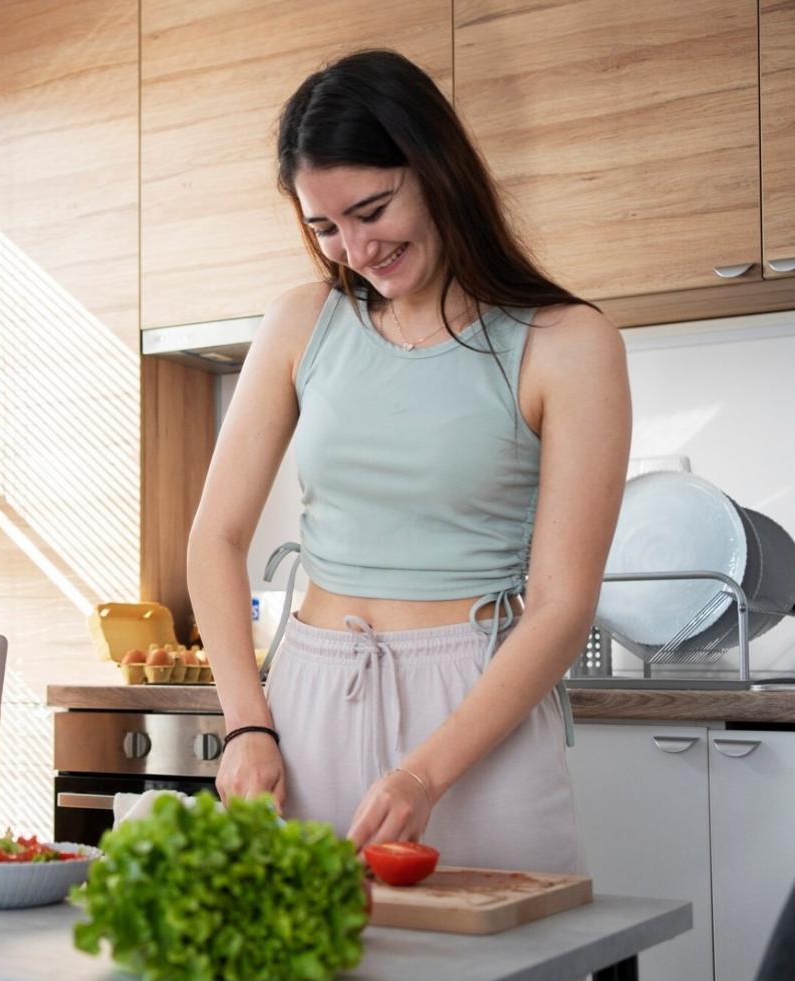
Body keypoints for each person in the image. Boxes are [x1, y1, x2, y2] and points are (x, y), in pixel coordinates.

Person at [187, 49, 632, 874]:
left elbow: (564, 602)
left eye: (372, 209)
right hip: (310, 699)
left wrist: (427, 770)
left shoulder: (568, 344)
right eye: (324, 227)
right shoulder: (301, 323)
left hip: (474, 717)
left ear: (436, 168)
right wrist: (248, 724)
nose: (354, 247)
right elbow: (214, 537)